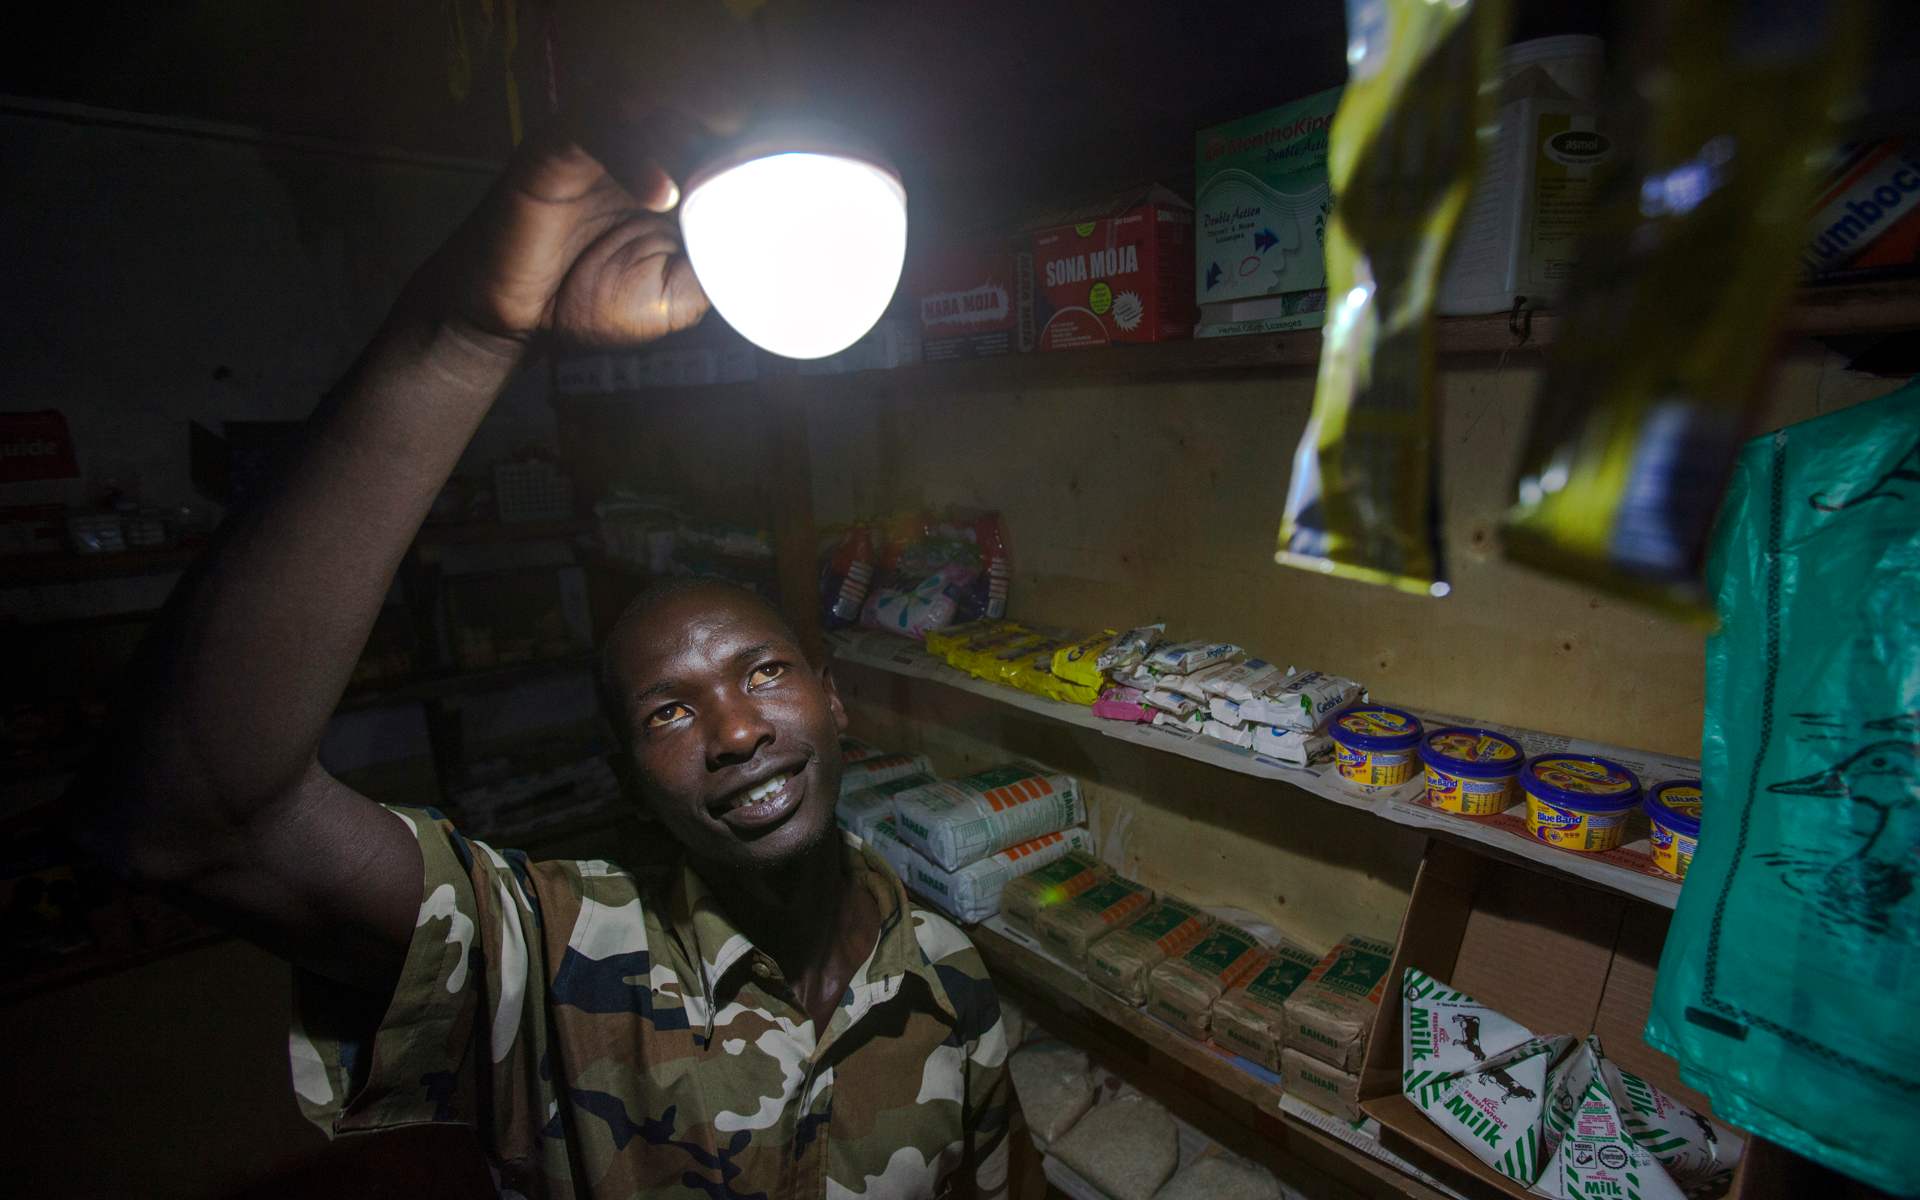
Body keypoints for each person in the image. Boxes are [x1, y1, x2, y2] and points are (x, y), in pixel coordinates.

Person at [70, 112, 1012, 1200]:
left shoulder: (951, 984)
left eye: (764, 674)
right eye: (668, 713)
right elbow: (188, 819)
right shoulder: (559, 958)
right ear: (623, 776)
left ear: (834, 700)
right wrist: (466, 329)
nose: (738, 731)